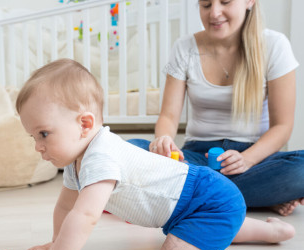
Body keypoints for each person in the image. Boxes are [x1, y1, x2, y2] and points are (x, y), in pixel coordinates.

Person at [9, 58, 295, 250]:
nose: (38, 146)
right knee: (199, 231)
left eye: (43, 134)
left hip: (207, 197)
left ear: (84, 124)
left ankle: (212, 247)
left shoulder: (100, 156)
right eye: (33, 137)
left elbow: (84, 216)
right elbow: (65, 208)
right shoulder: (76, 162)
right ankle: (268, 233)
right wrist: (55, 244)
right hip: (192, 206)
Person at [128, 0, 304, 216]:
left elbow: (282, 126)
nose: (215, 13)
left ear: (249, 1)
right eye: (206, 5)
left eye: (225, 2)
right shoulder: (184, 48)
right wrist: (163, 139)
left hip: (255, 159)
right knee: (131, 150)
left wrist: (246, 160)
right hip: (198, 158)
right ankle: (258, 197)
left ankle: (193, 195)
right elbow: (168, 116)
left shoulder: (275, 45)